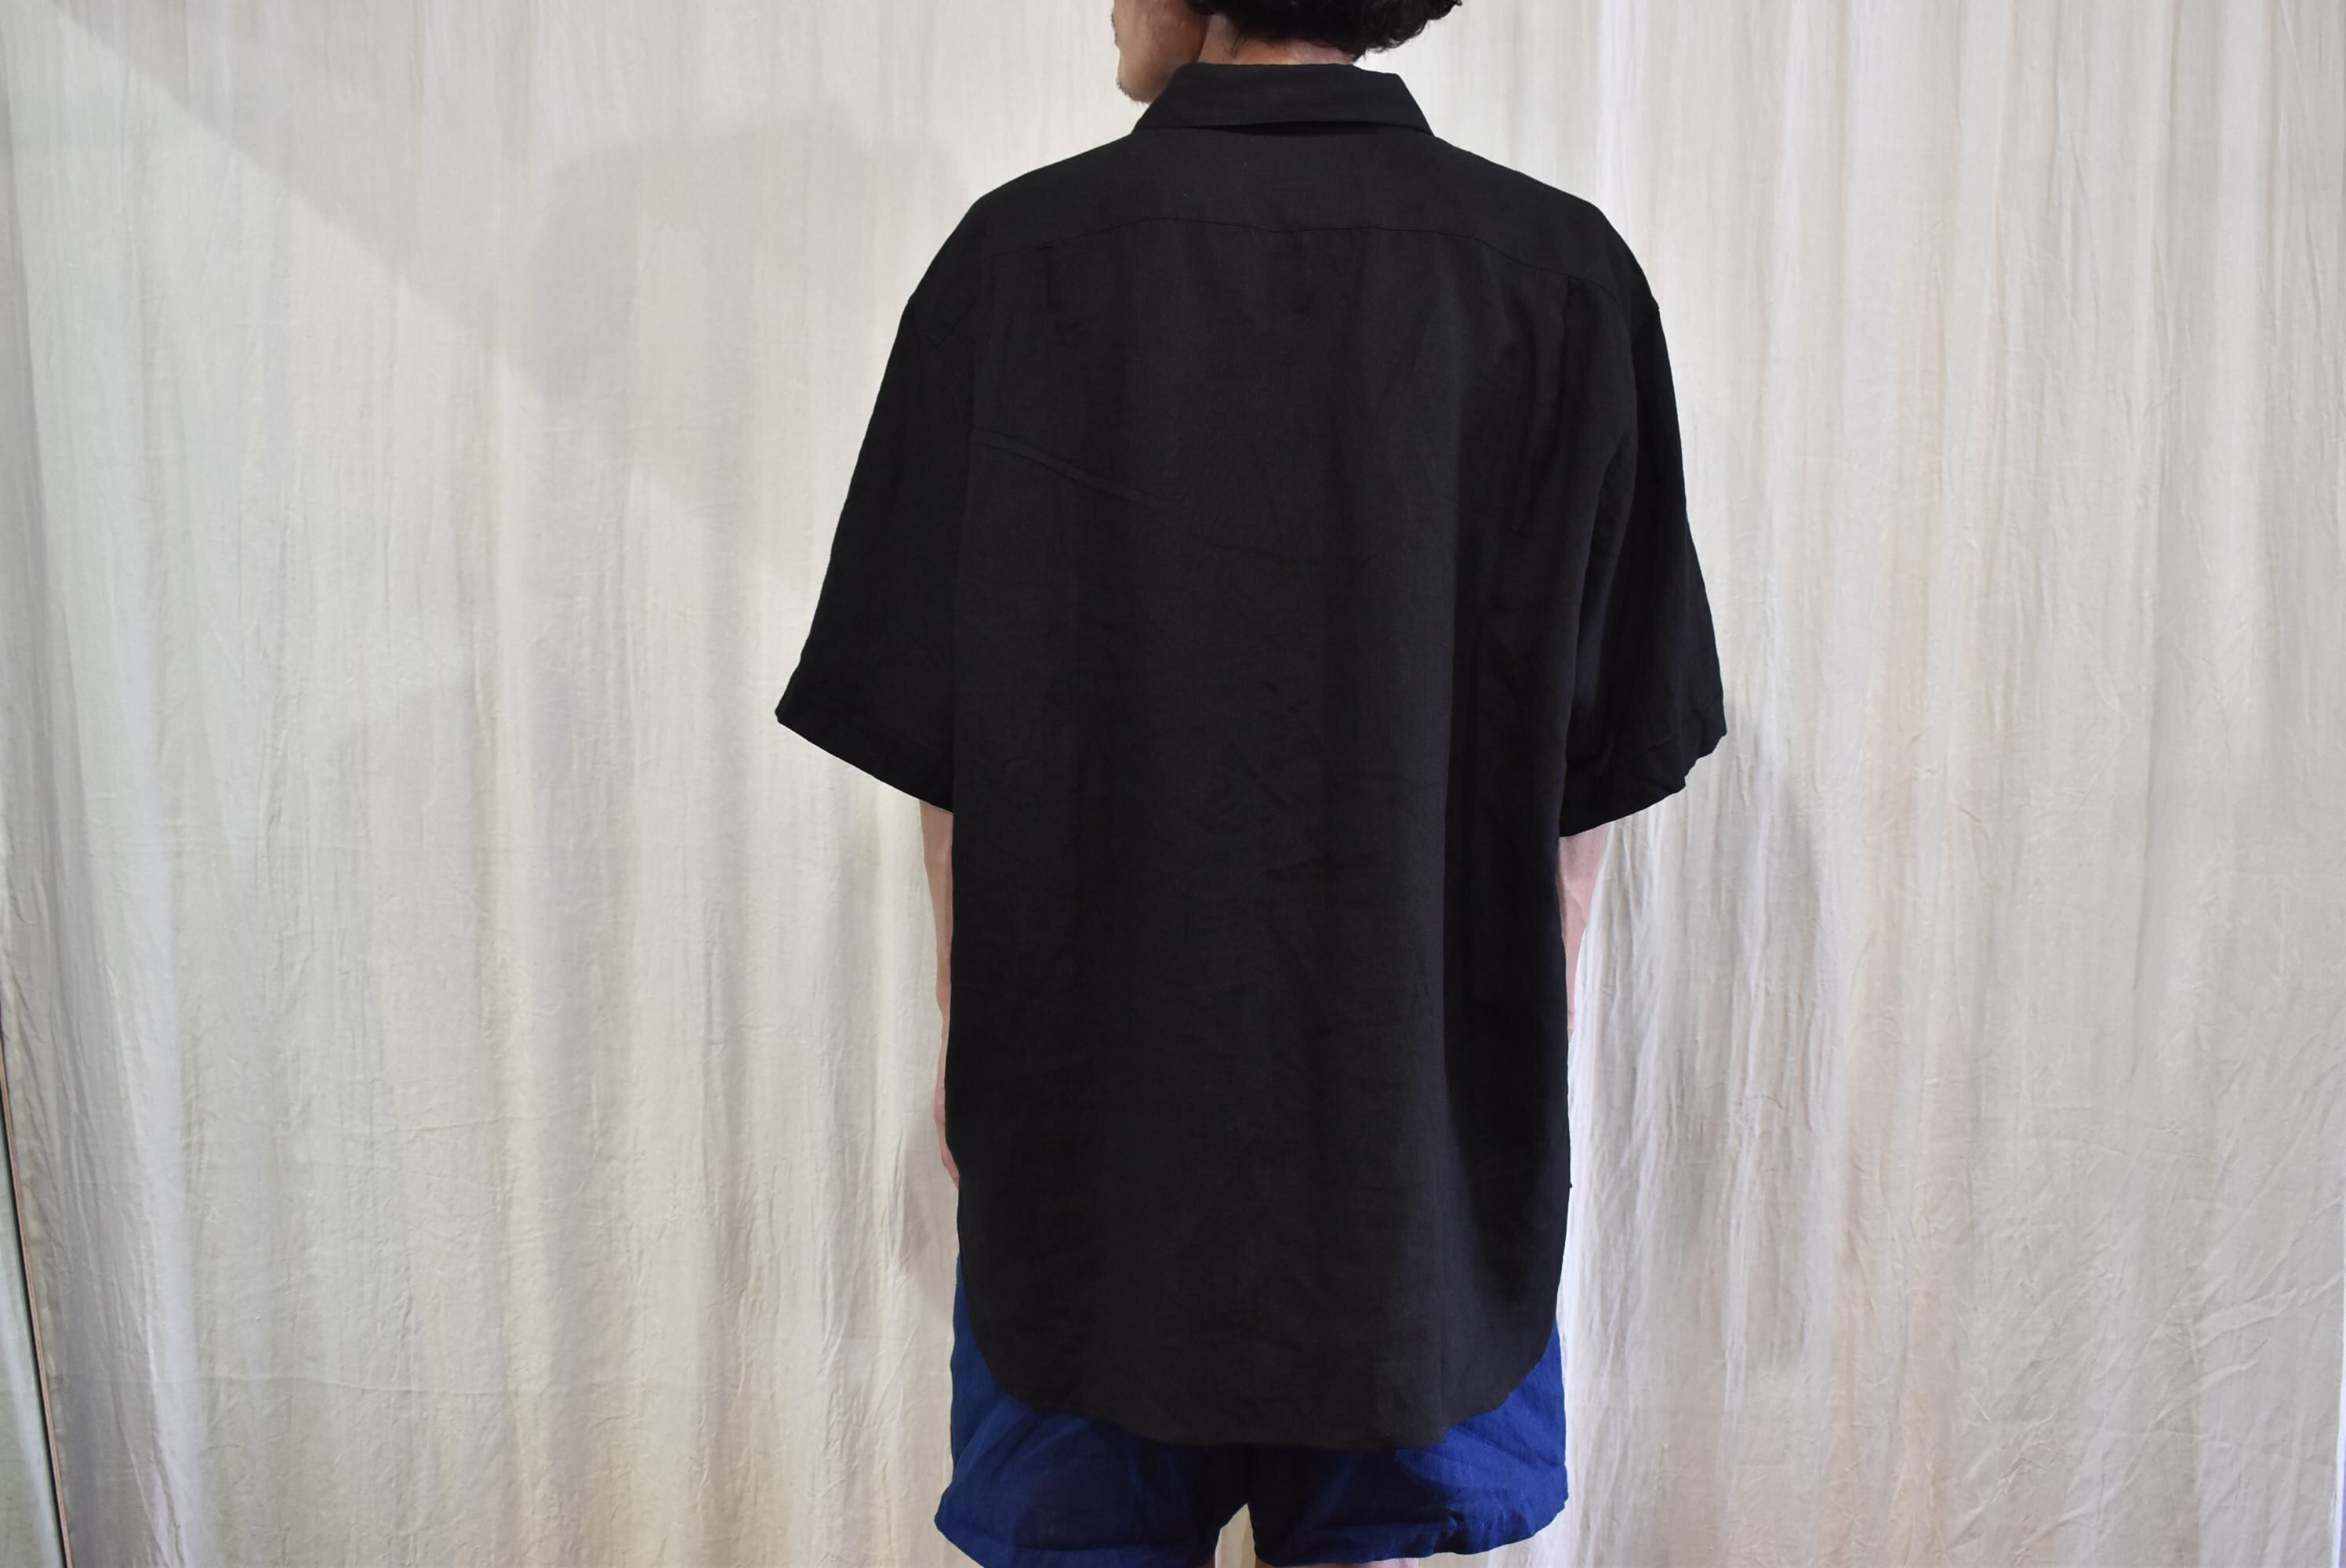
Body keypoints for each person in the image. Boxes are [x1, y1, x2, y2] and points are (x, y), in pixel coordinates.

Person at [775, 0, 1729, 1562]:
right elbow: (1584, 788)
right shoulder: (1555, 277)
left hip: (1088, 1162)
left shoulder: (1018, 265)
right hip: (1415, 1185)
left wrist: (968, 1025)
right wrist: (1497, 1062)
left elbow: (952, 749)